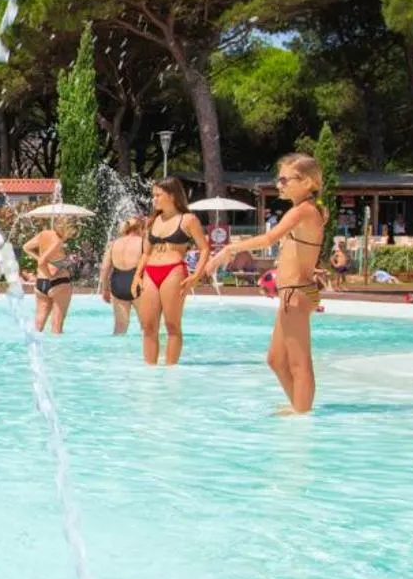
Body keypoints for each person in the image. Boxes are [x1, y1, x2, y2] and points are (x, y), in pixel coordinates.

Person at [207, 153, 329, 415]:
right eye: (278, 179)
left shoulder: (303, 211)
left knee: (299, 364)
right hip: (293, 291)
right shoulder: (306, 210)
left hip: (296, 293)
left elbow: (268, 239)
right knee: (275, 360)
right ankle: (299, 406)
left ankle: (302, 416)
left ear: (307, 182)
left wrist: (228, 250)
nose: (279, 184)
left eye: (285, 179)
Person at [133, 178, 213, 366]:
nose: (154, 199)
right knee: (148, 326)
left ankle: (171, 371)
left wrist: (196, 275)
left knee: (172, 325)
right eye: (153, 195)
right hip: (150, 271)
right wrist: (137, 275)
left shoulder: (188, 220)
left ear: (172, 196)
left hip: (173, 271)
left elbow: (204, 249)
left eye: (158, 195)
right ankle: (150, 371)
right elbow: (146, 253)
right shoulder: (152, 221)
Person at [23, 217, 76, 335]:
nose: (72, 235)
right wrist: (51, 277)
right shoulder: (58, 241)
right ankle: (56, 348)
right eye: (72, 232)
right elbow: (42, 261)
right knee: (57, 328)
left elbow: (26, 247)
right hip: (58, 282)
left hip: (40, 283)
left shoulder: (44, 234)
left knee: (38, 326)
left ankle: (33, 345)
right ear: (67, 229)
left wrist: (41, 260)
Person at [97, 215, 145, 336]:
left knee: (119, 328)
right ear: (141, 228)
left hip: (117, 284)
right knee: (146, 327)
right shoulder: (143, 242)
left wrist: (105, 289)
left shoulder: (114, 243)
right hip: (137, 283)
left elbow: (105, 268)